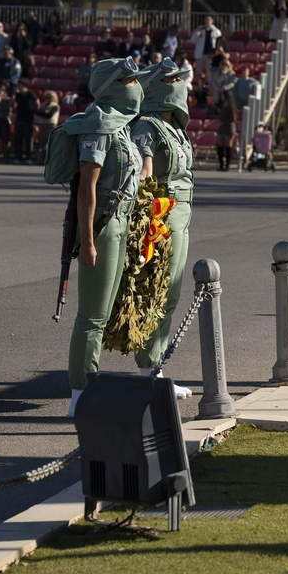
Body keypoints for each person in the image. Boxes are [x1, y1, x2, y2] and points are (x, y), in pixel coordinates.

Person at [62, 57, 154, 414]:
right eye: (128, 81)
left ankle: (89, 388)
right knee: (92, 316)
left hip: (123, 223)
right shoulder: (99, 125)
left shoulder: (121, 126)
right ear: (111, 87)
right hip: (102, 227)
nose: (135, 87)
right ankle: (80, 393)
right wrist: (86, 241)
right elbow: (88, 189)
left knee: (104, 312)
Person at [130, 63, 196, 395]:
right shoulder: (148, 125)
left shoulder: (175, 128)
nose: (179, 84)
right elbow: (144, 169)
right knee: (157, 293)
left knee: (171, 293)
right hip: (162, 216)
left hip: (181, 215)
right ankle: (150, 372)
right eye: (171, 80)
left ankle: (154, 369)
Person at [13, 80, 39, 164]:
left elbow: (37, 104)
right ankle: (18, 157)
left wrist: (33, 111)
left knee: (28, 140)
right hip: (19, 119)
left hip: (28, 120)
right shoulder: (18, 95)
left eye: (20, 85)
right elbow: (12, 104)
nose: (18, 87)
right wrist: (14, 95)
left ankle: (28, 158)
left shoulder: (30, 95)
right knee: (18, 139)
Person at [215, 88, 236, 172]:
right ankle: (221, 164)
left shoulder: (231, 106)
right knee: (220, 144)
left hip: (228, 126)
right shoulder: (223, 105)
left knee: (228, 145)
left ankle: (227, 165)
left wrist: (223, 120)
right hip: (223, 126)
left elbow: (233, 118)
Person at [36, 89, 61, 159]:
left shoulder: (55, 106)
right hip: (43, 124)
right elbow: (38, 112)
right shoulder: (43, 105)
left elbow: (49, 115)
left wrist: (43, 113)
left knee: (50, 142)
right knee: (42, 142)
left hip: (51, 125)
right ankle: (41, 158)